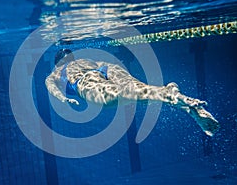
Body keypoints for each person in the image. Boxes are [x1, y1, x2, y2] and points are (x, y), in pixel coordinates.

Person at [45, 49, 220, 136]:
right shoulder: (85, 59)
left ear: (57, 61)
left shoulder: (55, 72)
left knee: (127, 96)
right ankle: (180, 102)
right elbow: (108, 64)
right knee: (139, 92)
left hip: (85, 80)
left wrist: (64, 99)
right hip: (107, 68)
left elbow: (52, 89)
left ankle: (173, 95)